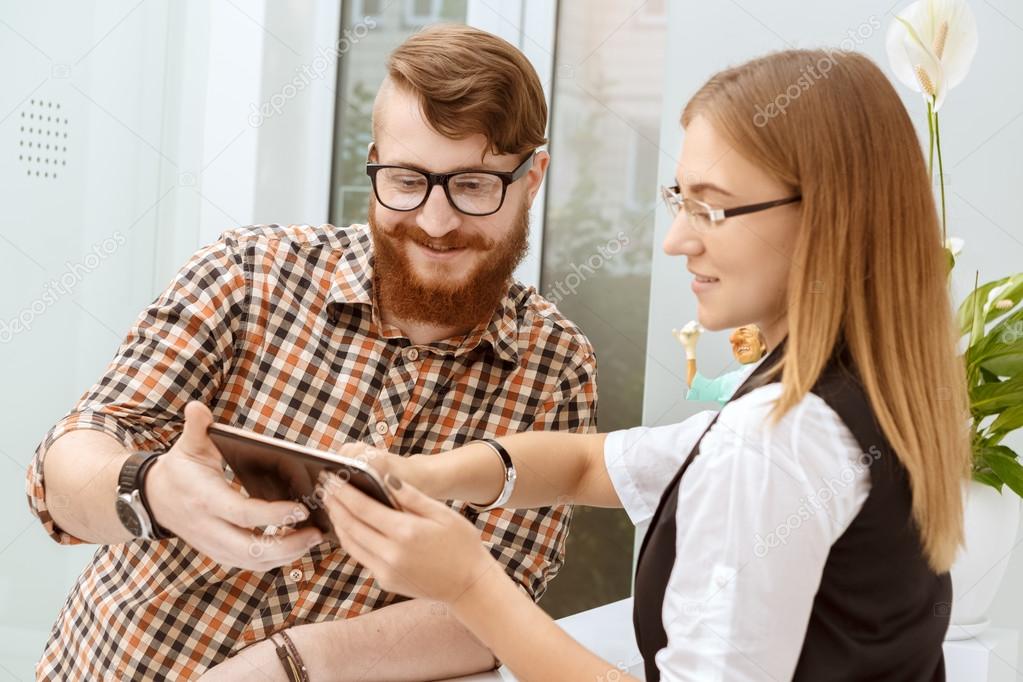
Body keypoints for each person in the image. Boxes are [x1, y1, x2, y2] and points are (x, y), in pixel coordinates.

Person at [322, 48, 970, 681]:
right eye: (678, 199)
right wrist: (417, 475)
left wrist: (468, 583)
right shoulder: (869, 394)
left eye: (709, 208)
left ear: (825, 216)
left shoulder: (771, 442)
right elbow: (585, 466)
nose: (676, 239)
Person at [25, 25, 597, 681]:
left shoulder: (552, 364)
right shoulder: (249, 273)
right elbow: (62, 472)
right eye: (407, 180)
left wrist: (290, 663)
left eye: (472, 186)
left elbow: (498, 606)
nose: (436, 224)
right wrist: (150, 490)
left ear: (532, 178)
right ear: (374, 164)